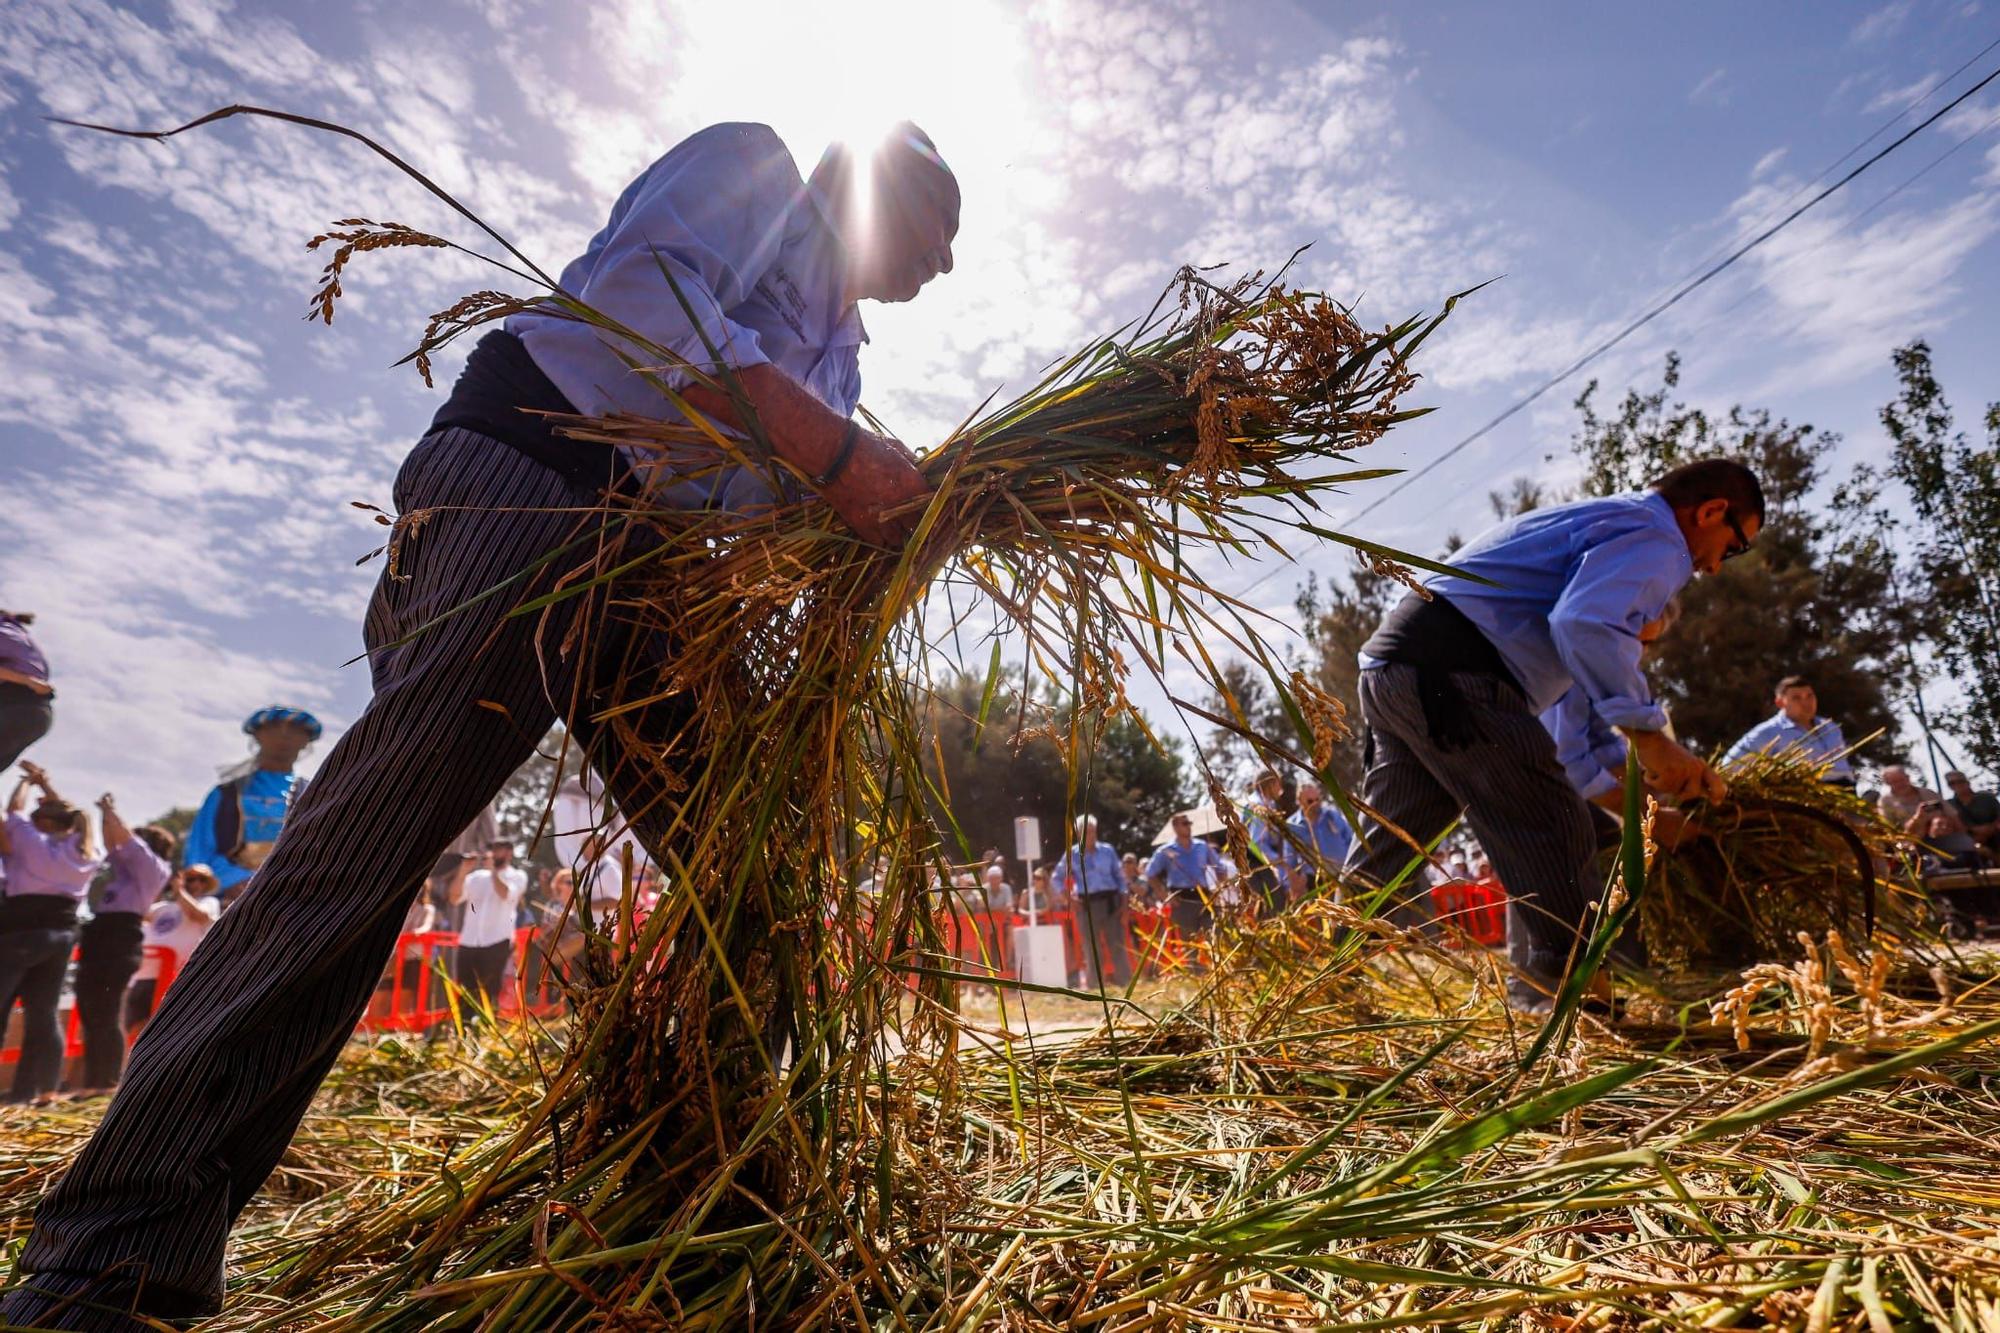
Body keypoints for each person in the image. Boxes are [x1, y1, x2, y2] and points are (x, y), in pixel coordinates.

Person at [4, 118, 958, 1329]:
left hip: (651, 573)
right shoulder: (756, 173)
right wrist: (835, 457)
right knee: (369, 847)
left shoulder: (842, 366)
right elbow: (634, 299)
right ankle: (113, 1250)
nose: (947, 263)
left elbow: (780, 505)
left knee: (757, 859)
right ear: (886, 187)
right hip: (533, 477)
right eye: (946, 225)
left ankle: (706, 1159)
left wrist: (893, 524)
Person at [1342, 459, 1761, 1012]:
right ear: (1710, 512)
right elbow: (1586, 624)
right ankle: (1573, 998)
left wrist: (1653, 784)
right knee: (1550, 822)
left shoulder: (1611, 521)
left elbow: (1579, 673)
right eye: (1733, 548)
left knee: (1394, 840)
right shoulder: (1661, 538)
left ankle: (1323, 974)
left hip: (1400, 669)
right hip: (1458, 672)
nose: (1716, 567)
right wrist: (1652, 736)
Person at [0, 762, 102, 1102]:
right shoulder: (83, 848)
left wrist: (28, 783)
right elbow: (71, 817)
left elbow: (12, 810)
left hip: (20, 932)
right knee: (43, 1014)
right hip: (62, 936)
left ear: (42, 823)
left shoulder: (31, 842)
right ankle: (39, 1090)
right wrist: (48, 787)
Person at [71, 796, 174, 1093]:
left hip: (121, 936)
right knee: (89, 1008)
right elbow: (114, 843)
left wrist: (109, 810)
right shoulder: (127, 870)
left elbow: (125, 839)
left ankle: (107, 1082)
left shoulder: (153, 867)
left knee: (105, 1007)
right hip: (101, 933)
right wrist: (104, 818)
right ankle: (93, 1081)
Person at [181, 706, 319, 903]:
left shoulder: (315, 794)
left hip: (295, 900)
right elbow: (199, 851)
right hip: (230, 902)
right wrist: (233, 880)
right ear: (258, 736)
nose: (284, 736)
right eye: (274, 728)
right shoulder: (226, 793)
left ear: (306, 742)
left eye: (296, 731)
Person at [126, 865, 222, 1035]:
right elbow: (136, 916)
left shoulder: (209, 903)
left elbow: (198, 915)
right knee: (135, 1028)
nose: (196, 883)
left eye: (202, 879)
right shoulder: (162, 907)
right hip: (145, 976)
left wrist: (179, 892)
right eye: (191, 879)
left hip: (177, 979)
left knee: (168, 1030)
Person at [1722, 675, 1854, 783]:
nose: (1806, 703)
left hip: (1848, 795)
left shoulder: (1831, 727)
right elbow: (1729, 764)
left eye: (1810, 696)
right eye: (1796, 698)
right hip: (1811, 801)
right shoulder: (1768, 732)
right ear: (1780, 702)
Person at [450, 839, 526, 1018]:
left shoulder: (517, 875)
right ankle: (464, 1034)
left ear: (509, 853)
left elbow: (506, 894)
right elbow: (454, 898)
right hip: (468, 940)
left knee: (490, 989)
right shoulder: (475, 877)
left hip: (497, 940)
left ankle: (486, 1031)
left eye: (498, 849)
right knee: (465, 989)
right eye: (491, 849)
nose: (493, 853)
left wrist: (493, 872)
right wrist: (462, 871)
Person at [1057, 815, 1129, 990]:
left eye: (1093, 831)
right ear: (1079, 833)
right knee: (1091, 949)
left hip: (1111, 902)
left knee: (1117, 944)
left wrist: (1125, 902)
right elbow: (1056, 878)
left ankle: (1126, 984)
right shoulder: (1072, 854)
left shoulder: (1108, 850)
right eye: (1086, 832)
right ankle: (1095, 988)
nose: (1091, 835)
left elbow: (1120, 878)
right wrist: (1069, 898)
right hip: (1087, 905)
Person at [1146, 813, 1229, 944]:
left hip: (1204, 898)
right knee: (1190, 943)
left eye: (1189, 823)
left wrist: (1219, 890)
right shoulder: (1165, 850)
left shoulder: (1202, 846)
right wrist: (1165, 896)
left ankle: (1216, 964)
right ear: (1175, 827)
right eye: (1184, 824)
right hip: (1181, 901)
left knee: (1214, 938)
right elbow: (1150, 874)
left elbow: (1220, 868)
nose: (1189, 827)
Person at [0, 611, 54, 771]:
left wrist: (28, 681)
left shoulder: (3, 633)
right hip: (36, 714)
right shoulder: (18, 634)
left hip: (16, 709)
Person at [1285, 780, 1353, 902]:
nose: (1315, 804)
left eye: (1318, 800)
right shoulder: (1292, 826)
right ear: (1300, 801)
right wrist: (1293, 885)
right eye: (1310, 801)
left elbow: (1350, 839)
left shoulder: (1332, 815)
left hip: (1343, 874)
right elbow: (1290, 860)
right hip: (1316, 881)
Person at [1240, 769, 1290, 915]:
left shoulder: (1268, 804)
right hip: (1259, 862)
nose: (1280, 789)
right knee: (1274, 904)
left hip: (1264, 860)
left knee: (1274, 904)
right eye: (1278, 784)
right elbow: (1257, 842)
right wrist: (1278, 861)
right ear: (1270, 784)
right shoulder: (1258, 806)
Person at [1877, 765, 1946, 833]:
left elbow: (1952, 815)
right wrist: (1917, 818)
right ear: (1888, 783)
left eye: (1901, 780)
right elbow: (1888, 829)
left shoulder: (1928, 793)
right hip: (1911, 840)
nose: (1900, 784)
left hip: (1942, 836)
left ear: (1908, 778)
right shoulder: (1885, 801)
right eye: (1895, 782)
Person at [1945, 771, 2000, 853]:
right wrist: (1973, 831)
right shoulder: (1949, 805)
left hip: (1995, 834)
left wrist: (1990, 829)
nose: (1957, 785)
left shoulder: (1986, 798)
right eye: (1952, 783)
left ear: (1967, 782)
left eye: (1960, 781)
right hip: (1969, 841)